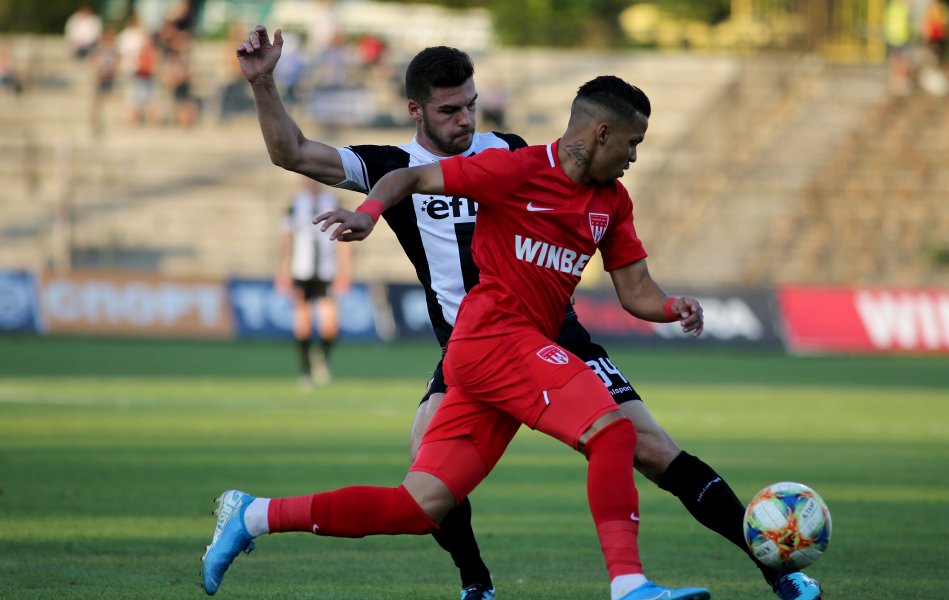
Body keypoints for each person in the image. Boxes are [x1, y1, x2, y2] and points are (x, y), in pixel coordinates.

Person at [224, 25, 823, 600]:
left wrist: (669, 305)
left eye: (471, 106)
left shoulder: (513, 155)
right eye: (450, 111)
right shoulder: (393, 168)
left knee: (649, 447)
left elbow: (600, 225)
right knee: (428, 466)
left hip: (550, 331)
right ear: (417, 112)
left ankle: (773, 571)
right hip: (478, 337)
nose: (465, 120)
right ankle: (479, 581)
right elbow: (293, 152)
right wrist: (262, 84)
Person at [275, 176, 351, 387]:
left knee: (330, 326)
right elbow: (286, 241)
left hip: (327, 272)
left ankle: (322, 357)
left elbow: (344, 241)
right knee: (303, 324)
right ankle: (305, 371)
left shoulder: (333, 202)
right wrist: (282, 272)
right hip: (301, 271)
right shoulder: (295, 204)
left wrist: (345, 273)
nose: (311, 183)